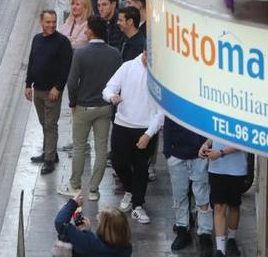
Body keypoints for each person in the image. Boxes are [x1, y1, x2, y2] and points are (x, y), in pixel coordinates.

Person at [59, 16, 123, 201]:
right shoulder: (115, 54)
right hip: (104, 107)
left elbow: (72, 82)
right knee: (101, 149)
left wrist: (72, 102)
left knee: (79, 147)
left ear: (91, 31)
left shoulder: (80, 54)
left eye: (87, 29)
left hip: (83, 107)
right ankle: (94, 190)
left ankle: (75, 186)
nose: (85, 31)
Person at [103, 51, 164, 224]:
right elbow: (108, 88)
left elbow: (162, 110)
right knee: (118, 163)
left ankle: (138, 205)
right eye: (148, 56)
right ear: (144, 52)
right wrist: (112, 96)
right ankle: (130, 190)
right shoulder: (127, 67)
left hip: (145, 128)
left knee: (141, 168)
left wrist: (149, 134)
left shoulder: (162, 73)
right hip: (122, 125)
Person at [25, 10, 73, 175]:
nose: (51, 25)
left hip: (52, 92)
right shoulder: (37, 39)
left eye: (54, 22)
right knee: (43, 122)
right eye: (48, 22)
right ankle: (49, 152)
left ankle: (49, 160)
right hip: (38, 89)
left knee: (50, 125)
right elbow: (32, 61)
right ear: (41, 22)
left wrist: (58, 88)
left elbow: (66, 67)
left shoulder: (63, 42)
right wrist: (27, 84)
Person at [164, 118, 213, 254]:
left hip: (200, 153)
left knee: (202, 195)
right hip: (176, 154)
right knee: (179, 195)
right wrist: (168, 152)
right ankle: (182, 230)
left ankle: (205, 234)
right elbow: (168, 120)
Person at [200, 138, 247, 257]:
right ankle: (220, 249)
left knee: (234, 205)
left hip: (237, 169)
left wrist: (221, 152)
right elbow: (213, 134)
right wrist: (205, 145)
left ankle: (231, 239)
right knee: (218, 206)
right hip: (216, 168)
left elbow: (245, 141)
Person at [54, 191, 132, 256]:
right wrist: (87, 232)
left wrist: (73, 203)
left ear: (103, 227)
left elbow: (60, 223)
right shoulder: (127, 248)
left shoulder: (89, 243)